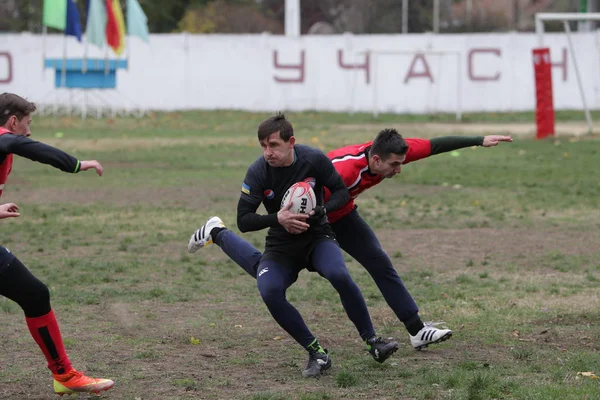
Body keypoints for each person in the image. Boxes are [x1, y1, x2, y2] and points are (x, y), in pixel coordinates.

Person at [189, 127, 513, 350]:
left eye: (401, 162)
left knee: (378, 261)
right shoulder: (341, 169)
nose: (399, 170)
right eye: (394, 166)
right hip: (311, 221)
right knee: (269, 271)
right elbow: (302, 191)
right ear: (375, 160)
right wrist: (290, 218)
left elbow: (434, 145)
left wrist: (478, 139)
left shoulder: (391, 152)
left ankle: (417, 330)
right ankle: (218, 232)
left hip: (342, 214)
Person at [204, 113, 398, 378]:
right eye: (263, 146)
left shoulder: (313, 159)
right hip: (282, 246)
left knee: (339, 274)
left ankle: (373, 341)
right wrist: (278, 218)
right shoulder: (258, 171)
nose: (267, 152)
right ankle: (316, 351)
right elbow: (244, 220)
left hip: (317, 237)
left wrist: (323, 209)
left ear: (291, 141)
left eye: (273, 145)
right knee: (269, 290)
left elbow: (341, 192)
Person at [0, 93, 114, 395]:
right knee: (35, 294)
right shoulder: (4, 139)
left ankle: (63, 375)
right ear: (13, 122)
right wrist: (76, 164)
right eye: (28, 123)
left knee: (35, 295)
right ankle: (64, 374)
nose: (30, 131)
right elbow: (17, 143)